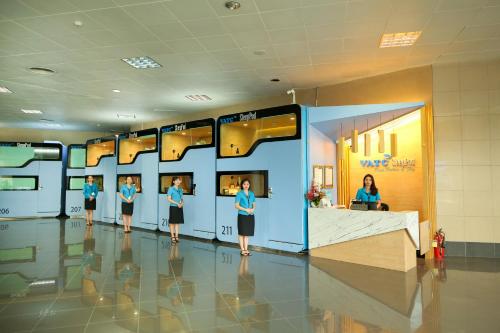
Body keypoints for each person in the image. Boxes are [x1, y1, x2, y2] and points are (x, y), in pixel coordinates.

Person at [234, 179, 256, 256]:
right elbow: (236, 205)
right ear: (242, 185)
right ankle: (242, 250)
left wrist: (252, 209)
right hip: (242, 215)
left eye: (247, 184)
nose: (246, 185)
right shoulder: (239, 194)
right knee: (241, 233)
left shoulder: (252, 194)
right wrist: (246, 209)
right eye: (244, 184)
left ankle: (246, 249)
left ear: (249, 185)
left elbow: (254, 204)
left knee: (247, 234)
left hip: (250, 215)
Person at [167, 176, 184, 243]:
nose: (178, 181)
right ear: (173, 181)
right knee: (172, 223)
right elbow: (169, 199)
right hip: (173, 207)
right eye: (176, 180)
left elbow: (181, 198)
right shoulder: (171, 189)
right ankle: (172, 237)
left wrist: (182, 203)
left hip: (179, 207)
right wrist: (177, 203)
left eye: (179, 180)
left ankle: (177, 236)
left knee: (177, 223)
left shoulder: (180, 189)